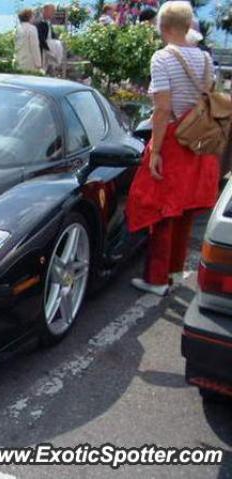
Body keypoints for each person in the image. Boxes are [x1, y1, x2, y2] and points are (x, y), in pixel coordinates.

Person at [126, 1, 220, 296]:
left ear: (163, 27)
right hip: (199, 139)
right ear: (189, 25)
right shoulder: (205, 58)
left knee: (160, 208)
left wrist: (154, 151)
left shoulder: (162, 58)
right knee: (186, 208)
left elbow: (162, 107)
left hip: (172, 139)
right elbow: (207, 95)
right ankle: (176, 272)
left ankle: (156, 279)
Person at [36, 4, 63, 72]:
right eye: (52, 11)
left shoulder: (48, 22)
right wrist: (48, 49)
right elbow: (40, 38)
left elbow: (51, 34)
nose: (53, 14)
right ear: (45, 11)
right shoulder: (38, 22)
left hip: (48, 52)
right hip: (41, 52)